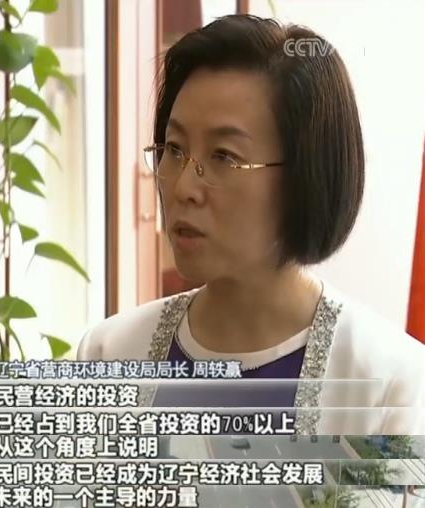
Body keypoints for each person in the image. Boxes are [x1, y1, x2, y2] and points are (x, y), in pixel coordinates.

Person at [77, 14, 425, 435]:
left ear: (306, 176)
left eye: (224, 156)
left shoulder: (389, 388)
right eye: (175, 148)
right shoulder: (109, 353)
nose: (184, 187)